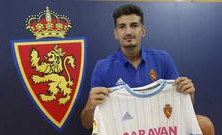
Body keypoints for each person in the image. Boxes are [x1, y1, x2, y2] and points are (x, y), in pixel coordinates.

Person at [81, 4, 214, 135]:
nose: (128, 32)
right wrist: (90, 106)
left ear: (143, 30)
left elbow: (181, 107)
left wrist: (189, 95)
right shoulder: (103, 68)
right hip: (124, 129)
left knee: (204, 124)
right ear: (116, 33)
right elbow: (87, 124)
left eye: (134, 25)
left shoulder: (163, 59)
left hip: (162, 127)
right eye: (122, 27)